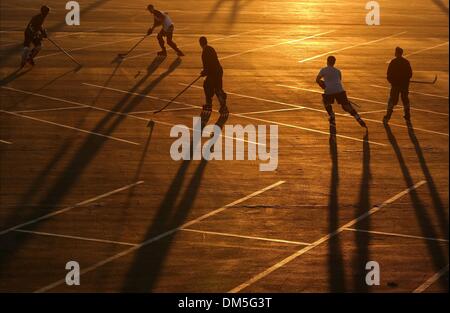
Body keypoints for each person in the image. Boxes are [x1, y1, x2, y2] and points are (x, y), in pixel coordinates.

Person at [316, 56, 366, 128]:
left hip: (329, 90)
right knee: (346, 106)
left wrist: (323, 85)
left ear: (327, 61)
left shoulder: (323, 70)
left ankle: (332, 115)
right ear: (334, 62)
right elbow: (339, 81)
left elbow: (317, 79)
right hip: (339, 90)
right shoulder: (338, 71)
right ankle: (357, 117)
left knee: (326, 102)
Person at [199, 36, 228, 114]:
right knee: (218, 88)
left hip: (213, 73)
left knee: (206, 86)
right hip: (219, 71)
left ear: (200, 44)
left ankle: (209, 104)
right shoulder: (211, 48)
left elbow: (207, 67)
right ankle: (223, 106)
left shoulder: (204, 53)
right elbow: (214, 61)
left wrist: (203, 73)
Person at [383, 47, 413, 123]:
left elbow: (389, 74)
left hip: (395, 85)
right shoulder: (406, 62)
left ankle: (388, 116)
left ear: (396, 53)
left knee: (392, 100)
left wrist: (392, 81)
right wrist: (405, 80)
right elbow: (410, 74)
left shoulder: (393, 62)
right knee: (405, 99)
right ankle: (407, 115)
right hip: (404, 85)